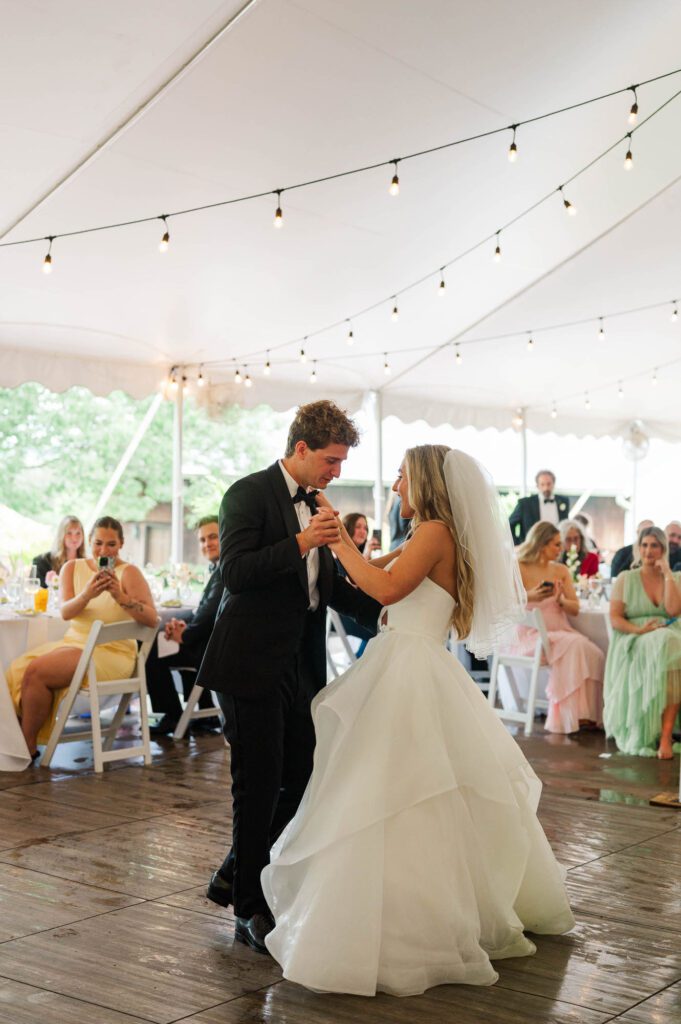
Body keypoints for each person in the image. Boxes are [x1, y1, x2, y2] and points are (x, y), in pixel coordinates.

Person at [262, 446, 574, 996]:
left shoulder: (434, 532)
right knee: (399, 790)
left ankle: (411, 923)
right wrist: (332, 525)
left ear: (425, 481)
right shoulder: (424, 535)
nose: (397, 486)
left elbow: (382, 589)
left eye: (403, 476)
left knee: (398, 791)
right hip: (406, 664)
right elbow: (365, 573)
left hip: (411, 670)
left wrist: (337, 540)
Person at [196, 400, 381, 953]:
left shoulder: (320, 502)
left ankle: (237, 869)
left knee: (303, 776)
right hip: (248, 662)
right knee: (256, 783)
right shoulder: (247, 494)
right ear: (300, 449)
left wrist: (390, 610)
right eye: (330, 460)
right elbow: (234, 573)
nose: (336, 473)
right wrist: (301, 542)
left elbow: (330, 591)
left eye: (342, 462)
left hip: (299, 666)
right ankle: (249, 907)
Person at [7, 516, 157, 759]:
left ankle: (27, 745)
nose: (103, 550)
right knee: (16, 669)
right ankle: (24, 742)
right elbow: (65, 612)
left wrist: (120, 596)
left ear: (121, 544)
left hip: (112, 653)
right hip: (74, 644)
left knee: (36, 671)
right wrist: (87, 594)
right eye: (98, 543)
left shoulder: (129, 573)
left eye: (111, 544)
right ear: (90, 541)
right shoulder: (72, 568)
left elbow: (152, 620)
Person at [512, 522, 604, 733]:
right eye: (555, 545)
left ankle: (585, 715)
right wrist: (532, 596)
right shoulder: (518, 566)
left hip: (559, 630)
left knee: (594, 653)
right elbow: (506, 604)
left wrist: (560, 600)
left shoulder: (560, 570)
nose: (560, 549)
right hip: (531, 634)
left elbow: (575, 608)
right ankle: (565, 716)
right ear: (541, 544)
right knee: (574, 646)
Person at [604, 526, 681, 759]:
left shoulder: (675, 578)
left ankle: (666, 735)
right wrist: (640, 630)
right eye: (645, 545)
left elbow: (673, 610)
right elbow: (615, 618)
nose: (649, 551)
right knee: (670, 643)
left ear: (663, 549)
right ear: (639, 549)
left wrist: (667, 573)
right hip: (634, 636)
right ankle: (657, 733)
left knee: (670, 643)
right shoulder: (626, 579)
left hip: (668, 636)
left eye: (654, 546)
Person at [146, 516, 224, 736]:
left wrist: (185, 634)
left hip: (213, 651)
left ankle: (170, 717)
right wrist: (182, 625)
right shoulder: (218, 568)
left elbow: (210, 615)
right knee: (166, 641)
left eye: (212, 537)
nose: (206, 544)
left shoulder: (225, 569)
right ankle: (207, 714)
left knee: (151, 649)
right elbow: (205, 611)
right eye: (202, 540)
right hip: (208, 644)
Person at [334, 513, 380, 656]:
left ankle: (361, 660)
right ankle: (361, 662)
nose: (363, 531)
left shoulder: (363, 554)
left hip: (359, 611)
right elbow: (353, 583)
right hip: (346, 615)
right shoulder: (340, 554)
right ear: (347, 528)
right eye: (358, 526)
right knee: (381, 631)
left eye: (365, 528)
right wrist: (366, 555)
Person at [509, 470, 570, 546]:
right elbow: (509, 524)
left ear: (553, 484)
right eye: (542, 484)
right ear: (537, 486)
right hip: (533, 548)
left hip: (558, 547)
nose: (546, 488)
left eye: (549, 484)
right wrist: (518, 543)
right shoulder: (525, 504)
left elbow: (565, 524)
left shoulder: (564, 501)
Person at [31, 515, 85, 587]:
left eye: (78, 533)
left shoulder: (86, 563)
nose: (74, 538)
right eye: (69, 533)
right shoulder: (42, 562)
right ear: (61, 535)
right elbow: (35, 589)